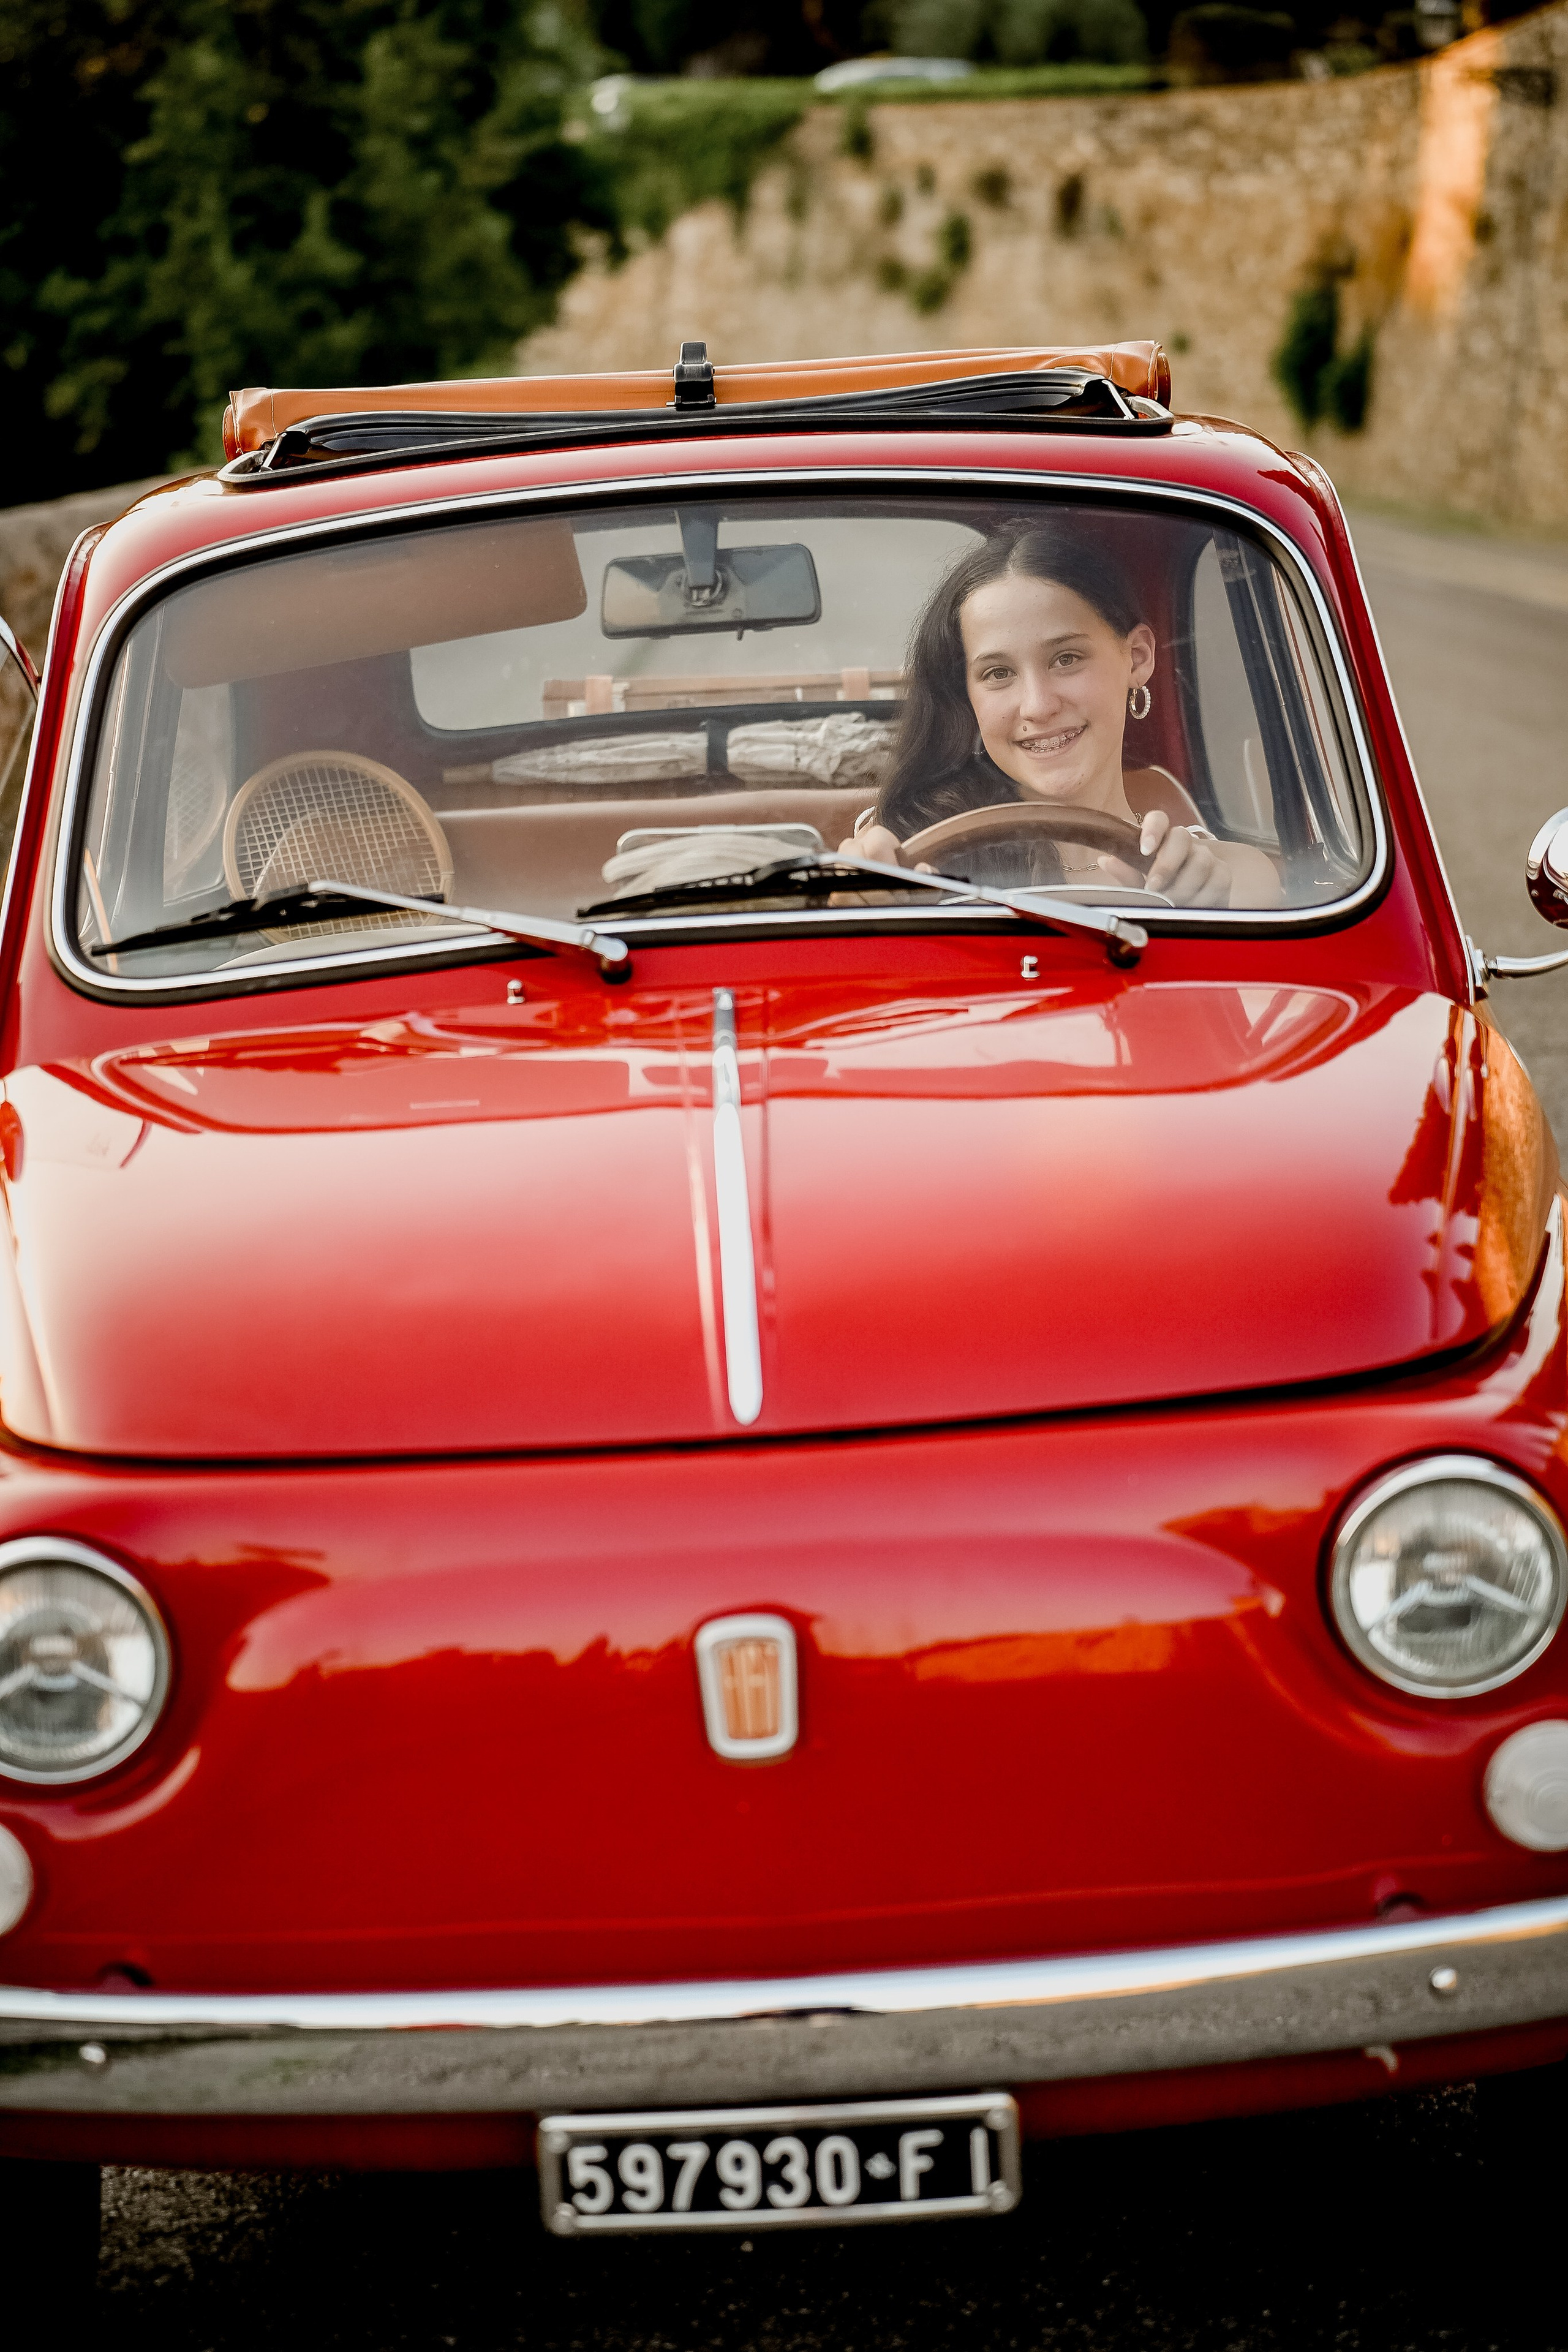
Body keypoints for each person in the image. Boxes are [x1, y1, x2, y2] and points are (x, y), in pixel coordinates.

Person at [840, 519, 1280, 908]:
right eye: (998, 673)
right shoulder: (904, 853)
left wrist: (1200, 923)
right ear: (968, 697)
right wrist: (856, 913)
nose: (1038, 705)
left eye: (1066, 659)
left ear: (1138, 658)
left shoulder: (1236, 880)